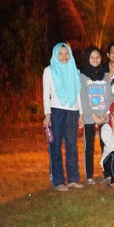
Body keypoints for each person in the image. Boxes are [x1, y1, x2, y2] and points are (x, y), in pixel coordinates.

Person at [43, 42, 84, 192]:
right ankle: (58, 180)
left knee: (72, 146)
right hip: (56, 111)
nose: (64, 56)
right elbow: (45, 94)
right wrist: (47, 114)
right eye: (60, 54)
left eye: (67, 53)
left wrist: (81, 114)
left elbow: (78, 92)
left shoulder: (75, 71)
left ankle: (73, 179)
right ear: (55, 55)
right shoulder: (49, 70)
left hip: (72, 111)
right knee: (55, 145)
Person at [79, 45, 112, 185]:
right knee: (89, 147)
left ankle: (107, 173)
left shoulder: (104, 75)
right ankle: (89, 176)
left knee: (105, 145)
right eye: (92, 57)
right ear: (87, 59)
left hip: (104, 116)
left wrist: (106, 114)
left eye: (98, 57)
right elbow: (83, 98)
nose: (95, 59)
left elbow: (109, 96)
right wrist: (93, 116)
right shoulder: (82, 75)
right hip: (89, 117)